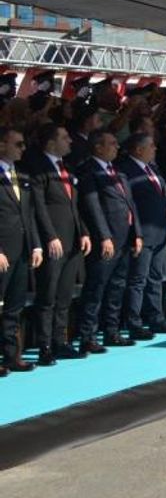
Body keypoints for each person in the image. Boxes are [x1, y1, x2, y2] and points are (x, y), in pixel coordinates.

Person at [25, 124, 91, 359]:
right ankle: (44, 345)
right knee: (48, 295)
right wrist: (50, 236)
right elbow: (38, 207)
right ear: (51, 143)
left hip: (72, 239)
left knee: (64, 295)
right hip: (54, 241)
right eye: (64, 138)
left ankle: (59, 340)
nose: (70, 142)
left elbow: (75, 205)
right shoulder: (39, 170)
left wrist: (83, 231)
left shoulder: (66, 168)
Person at [77, 130, 144, 351]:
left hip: (124, 238)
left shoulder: (117, 171)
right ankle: (88, 336)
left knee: (117, 286)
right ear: (98, 147)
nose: (117, 147)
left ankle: (111, 331)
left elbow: (130, 204)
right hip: (106, 239)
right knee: (96, 288)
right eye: (112, 143)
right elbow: (93, 207)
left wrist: (137, 234)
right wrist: (104, 236)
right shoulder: (89, 171)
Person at [118, 133, 166, 339]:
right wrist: (136, 233)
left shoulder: (152, 169)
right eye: (151, 145)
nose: (155, 149)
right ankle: (134, 321)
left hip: (159, 231)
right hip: (142, 233)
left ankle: (156, 317)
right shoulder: (127, 170)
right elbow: (130, 205)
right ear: (138, 149)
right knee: (138, 280)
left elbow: (164, 199)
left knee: (155, 278)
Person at [0, 126, 43, 373]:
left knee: (14, 306)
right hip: (3, 252)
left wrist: (36, 244)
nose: (23, 148)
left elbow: (29, 215)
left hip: (22, 251)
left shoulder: (21, 175)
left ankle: (11, 355)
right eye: (17, 144)